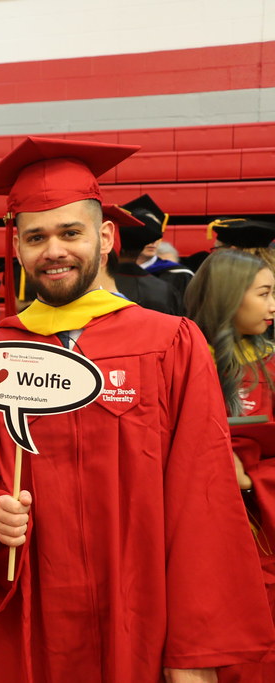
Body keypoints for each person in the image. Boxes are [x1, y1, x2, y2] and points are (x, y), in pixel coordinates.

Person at [0, 136, 275, 682]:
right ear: (16, 246)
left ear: (107, 236)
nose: (54, 250)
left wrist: (192, 652)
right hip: (32, 616)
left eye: (71, 232)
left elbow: (201, 501)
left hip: (143, 616)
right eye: (36, 236)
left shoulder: (170, 345)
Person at [185, 248, 275, 681]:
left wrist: (251, 474)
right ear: (229, 295)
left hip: (262, 526)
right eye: (263, 293)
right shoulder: (182, 360)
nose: (273, 305)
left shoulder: (272, 363)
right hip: (202, 530)